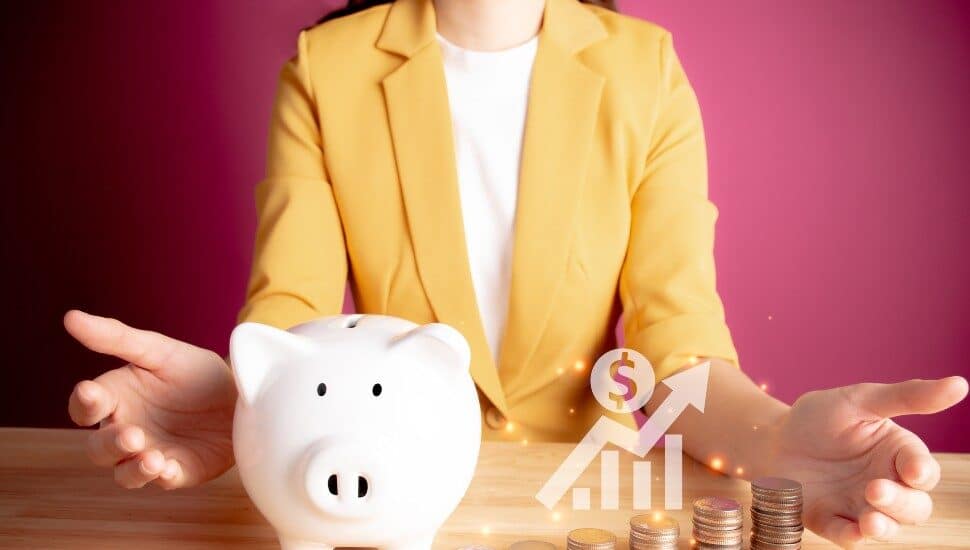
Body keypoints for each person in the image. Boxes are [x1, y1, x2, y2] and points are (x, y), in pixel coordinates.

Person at [64, 0, 967, 547]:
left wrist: (772, 442)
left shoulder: (643, 70)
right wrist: (245, 403)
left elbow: (673, 351)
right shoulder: (326, 69)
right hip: (391, 499)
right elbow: (295, 319)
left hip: (584, 498)